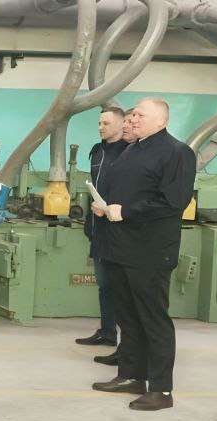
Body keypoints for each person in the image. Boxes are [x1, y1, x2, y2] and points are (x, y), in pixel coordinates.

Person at [91, 98, 196, 412]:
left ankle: (161, 390)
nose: (133, 119)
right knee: (128, 317)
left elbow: (174, 201)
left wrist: (126, 211)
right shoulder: (131, 150)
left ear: (161, 120)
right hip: (121, 247)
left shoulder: (177, 152)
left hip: (150, 251)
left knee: (153, 319)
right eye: (133, 114)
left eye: (140, 115)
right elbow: (127, 193)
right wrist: (106, 207)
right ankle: (131, 376)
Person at [75, 106, 128, 349]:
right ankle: (107, 332)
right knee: (104, 285)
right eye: (99, 123)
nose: (100, 127)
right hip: (98, 229)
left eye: (106, 123)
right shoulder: (97, 152)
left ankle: (128, 342)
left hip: (119, 230)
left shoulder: (129, 152)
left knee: (121, 287)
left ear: (121, 124)